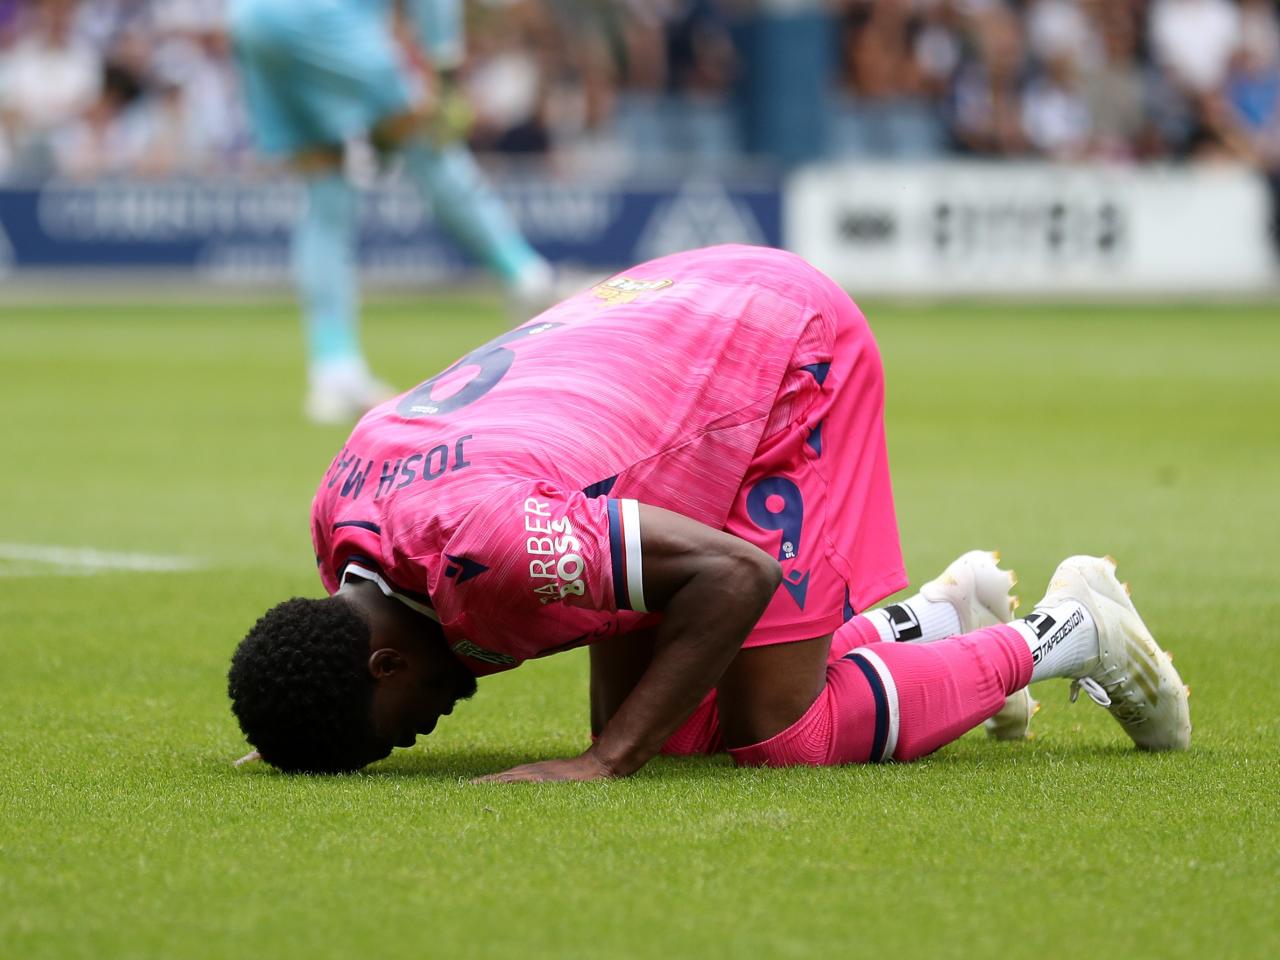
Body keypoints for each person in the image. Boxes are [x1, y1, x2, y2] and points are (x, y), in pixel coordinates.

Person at [227, 244, 1191, 781]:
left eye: (397, 730)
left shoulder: (494, 549)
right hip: (669, 342)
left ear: (383, 661)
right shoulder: (342, 522)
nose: (423, 733)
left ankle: (1070, 629)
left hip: (775, 353)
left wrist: (605, 762)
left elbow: (736, 577)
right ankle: (938, 617)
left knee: (781, 736)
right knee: (682, 725)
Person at [228, 0, 555, 423]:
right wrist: (442, 69)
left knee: (326, 194)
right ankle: (527, 278)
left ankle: (334, 369)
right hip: (318, 16)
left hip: (251, 19)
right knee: (428, 142)